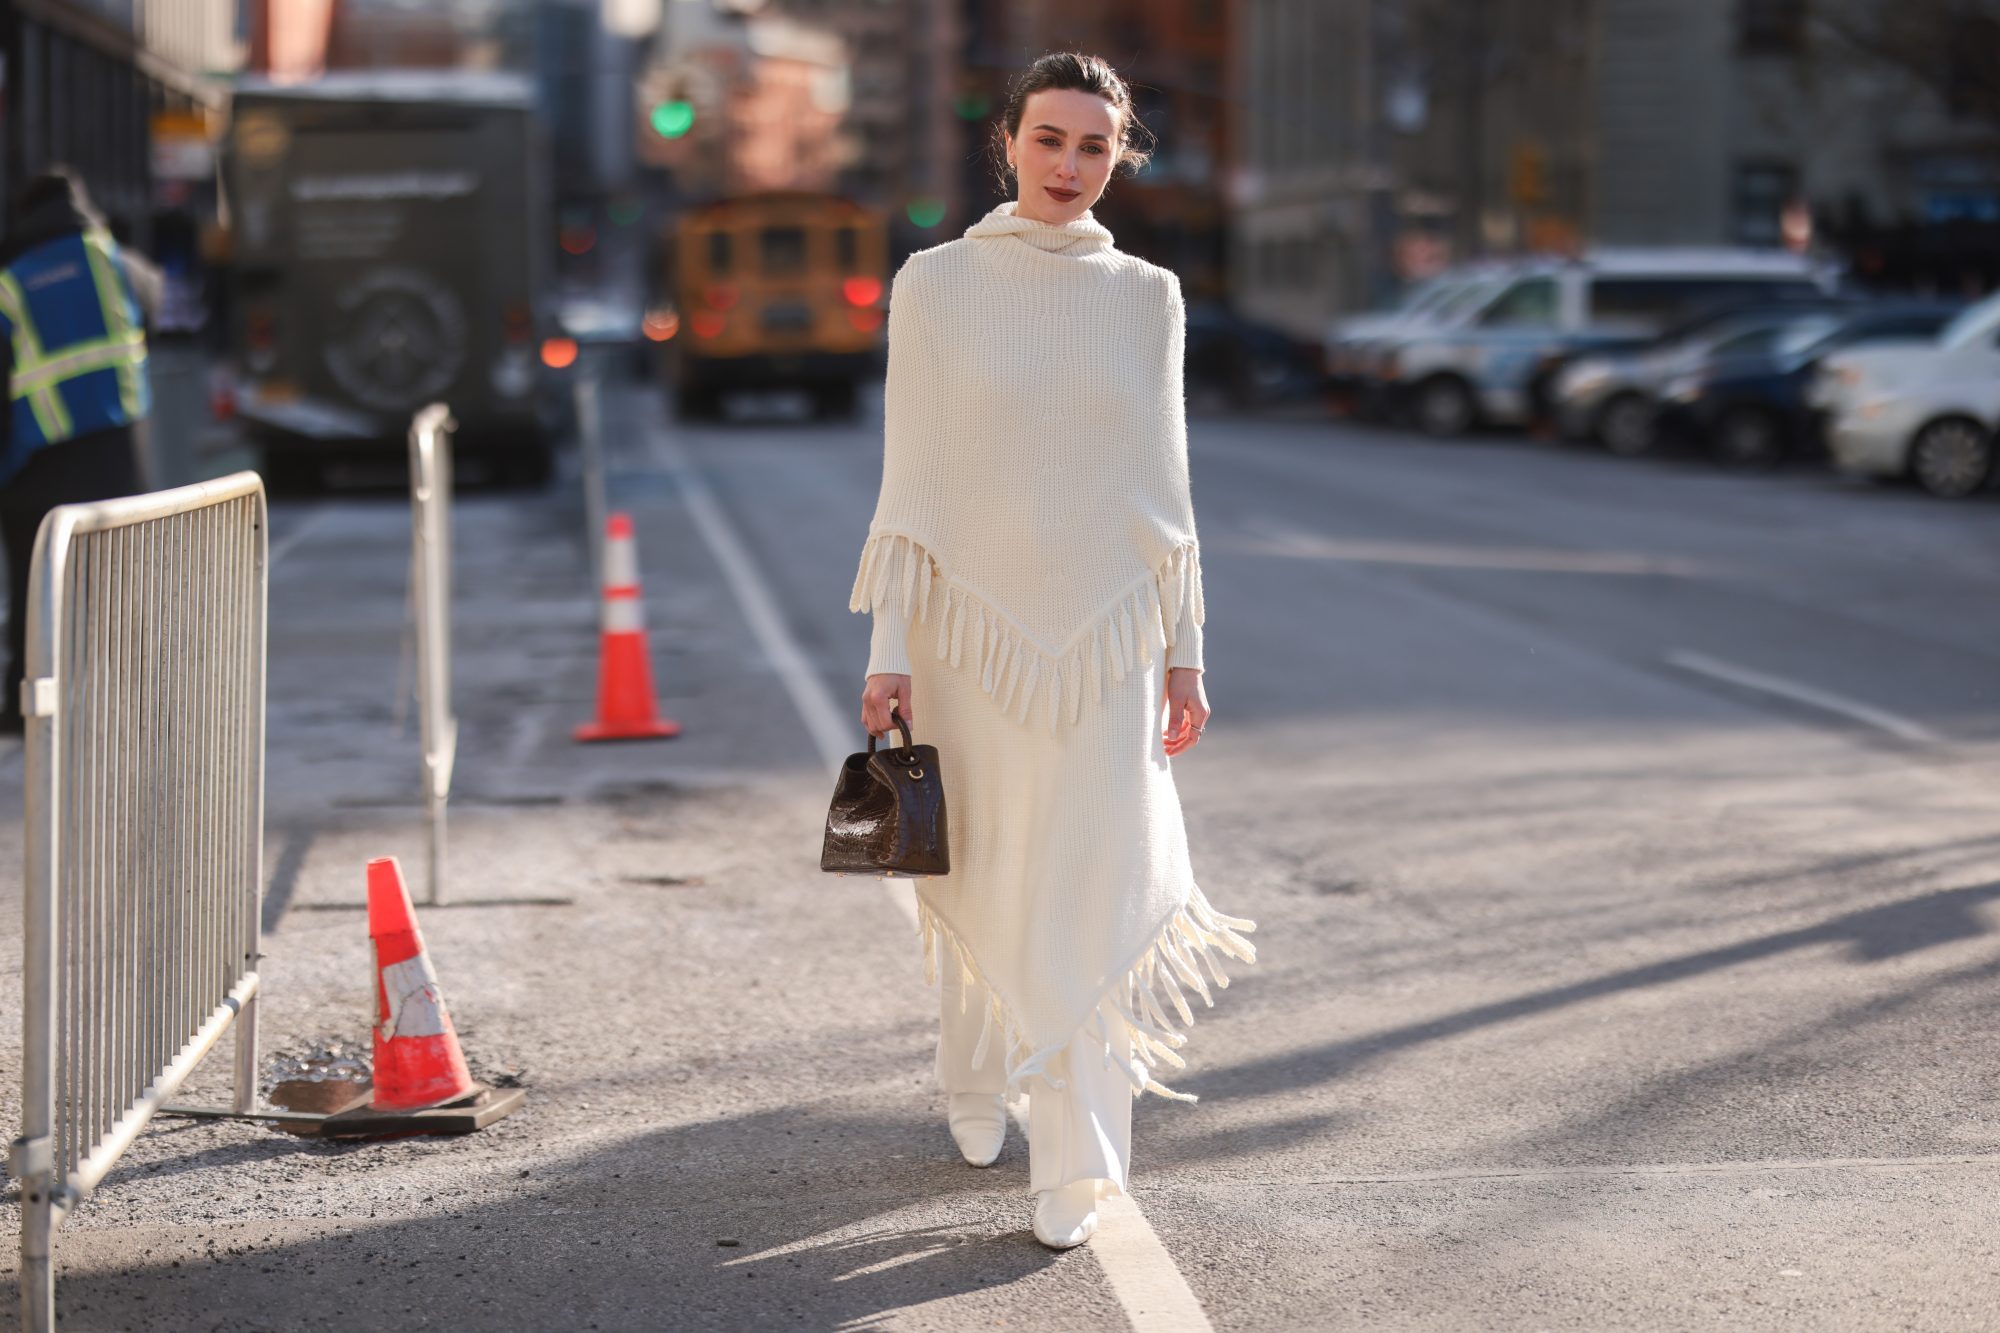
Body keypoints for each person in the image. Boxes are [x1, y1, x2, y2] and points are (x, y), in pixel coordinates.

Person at [851, 53, 1258, 1250]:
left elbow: (1163, 489)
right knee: (982, 859)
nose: (1069, 166)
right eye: (1049, 140)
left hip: (1109, 639)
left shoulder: (1147, 295)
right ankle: (974, 1075)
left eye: (1093, 146)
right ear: (1009, 144)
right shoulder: (933, 283)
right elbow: (912, 485)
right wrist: (889, 649)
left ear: (1118, 157)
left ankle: (1077, 1162)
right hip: (962, 636)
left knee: (1086, 876)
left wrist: (1184, 651)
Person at [0, 168, 156, 732]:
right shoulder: (114, 263)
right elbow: (157, 300)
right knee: (119, 588)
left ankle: (27, 707)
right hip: (121, 463)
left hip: (35, 468)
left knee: (35, 590)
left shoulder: (11, 285)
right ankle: (125, 706)